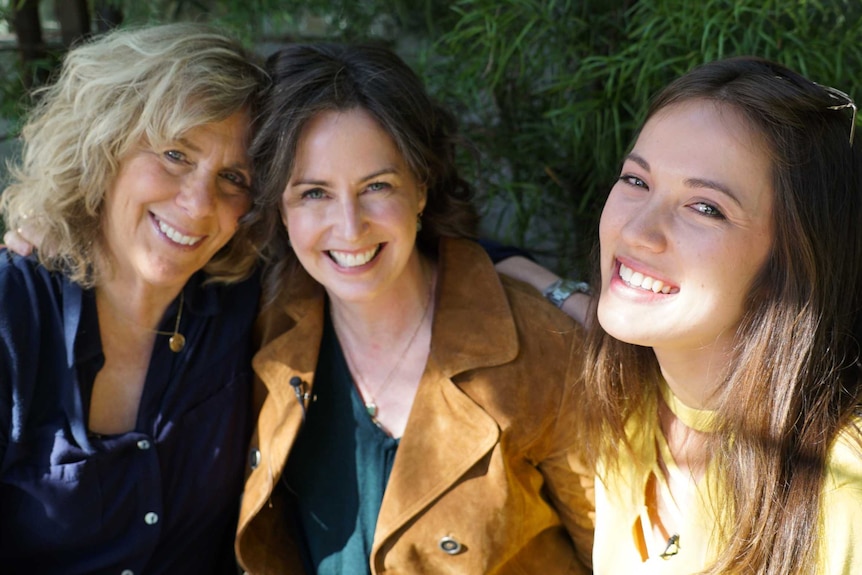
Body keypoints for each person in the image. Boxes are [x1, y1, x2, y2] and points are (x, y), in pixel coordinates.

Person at [234, 43, 595, 574]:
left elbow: (619, 553)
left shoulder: (545, 350)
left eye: (376, 186)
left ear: (420, 188)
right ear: (279, 207)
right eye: (314, 193)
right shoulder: (261, 335)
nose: (350, 227)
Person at [576, 56, 862, 574]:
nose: (637, 231)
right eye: (636, 181)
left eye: (705, 207)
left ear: (791, 262)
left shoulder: (844, 489)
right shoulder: (630, 407)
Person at [0, 24, 268, 574]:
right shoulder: (13, 311)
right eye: (174, 154)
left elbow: (352, 238)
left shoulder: (247, 302)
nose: (197, 204)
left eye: (233, 177)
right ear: (104, 144)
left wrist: (489, 263)